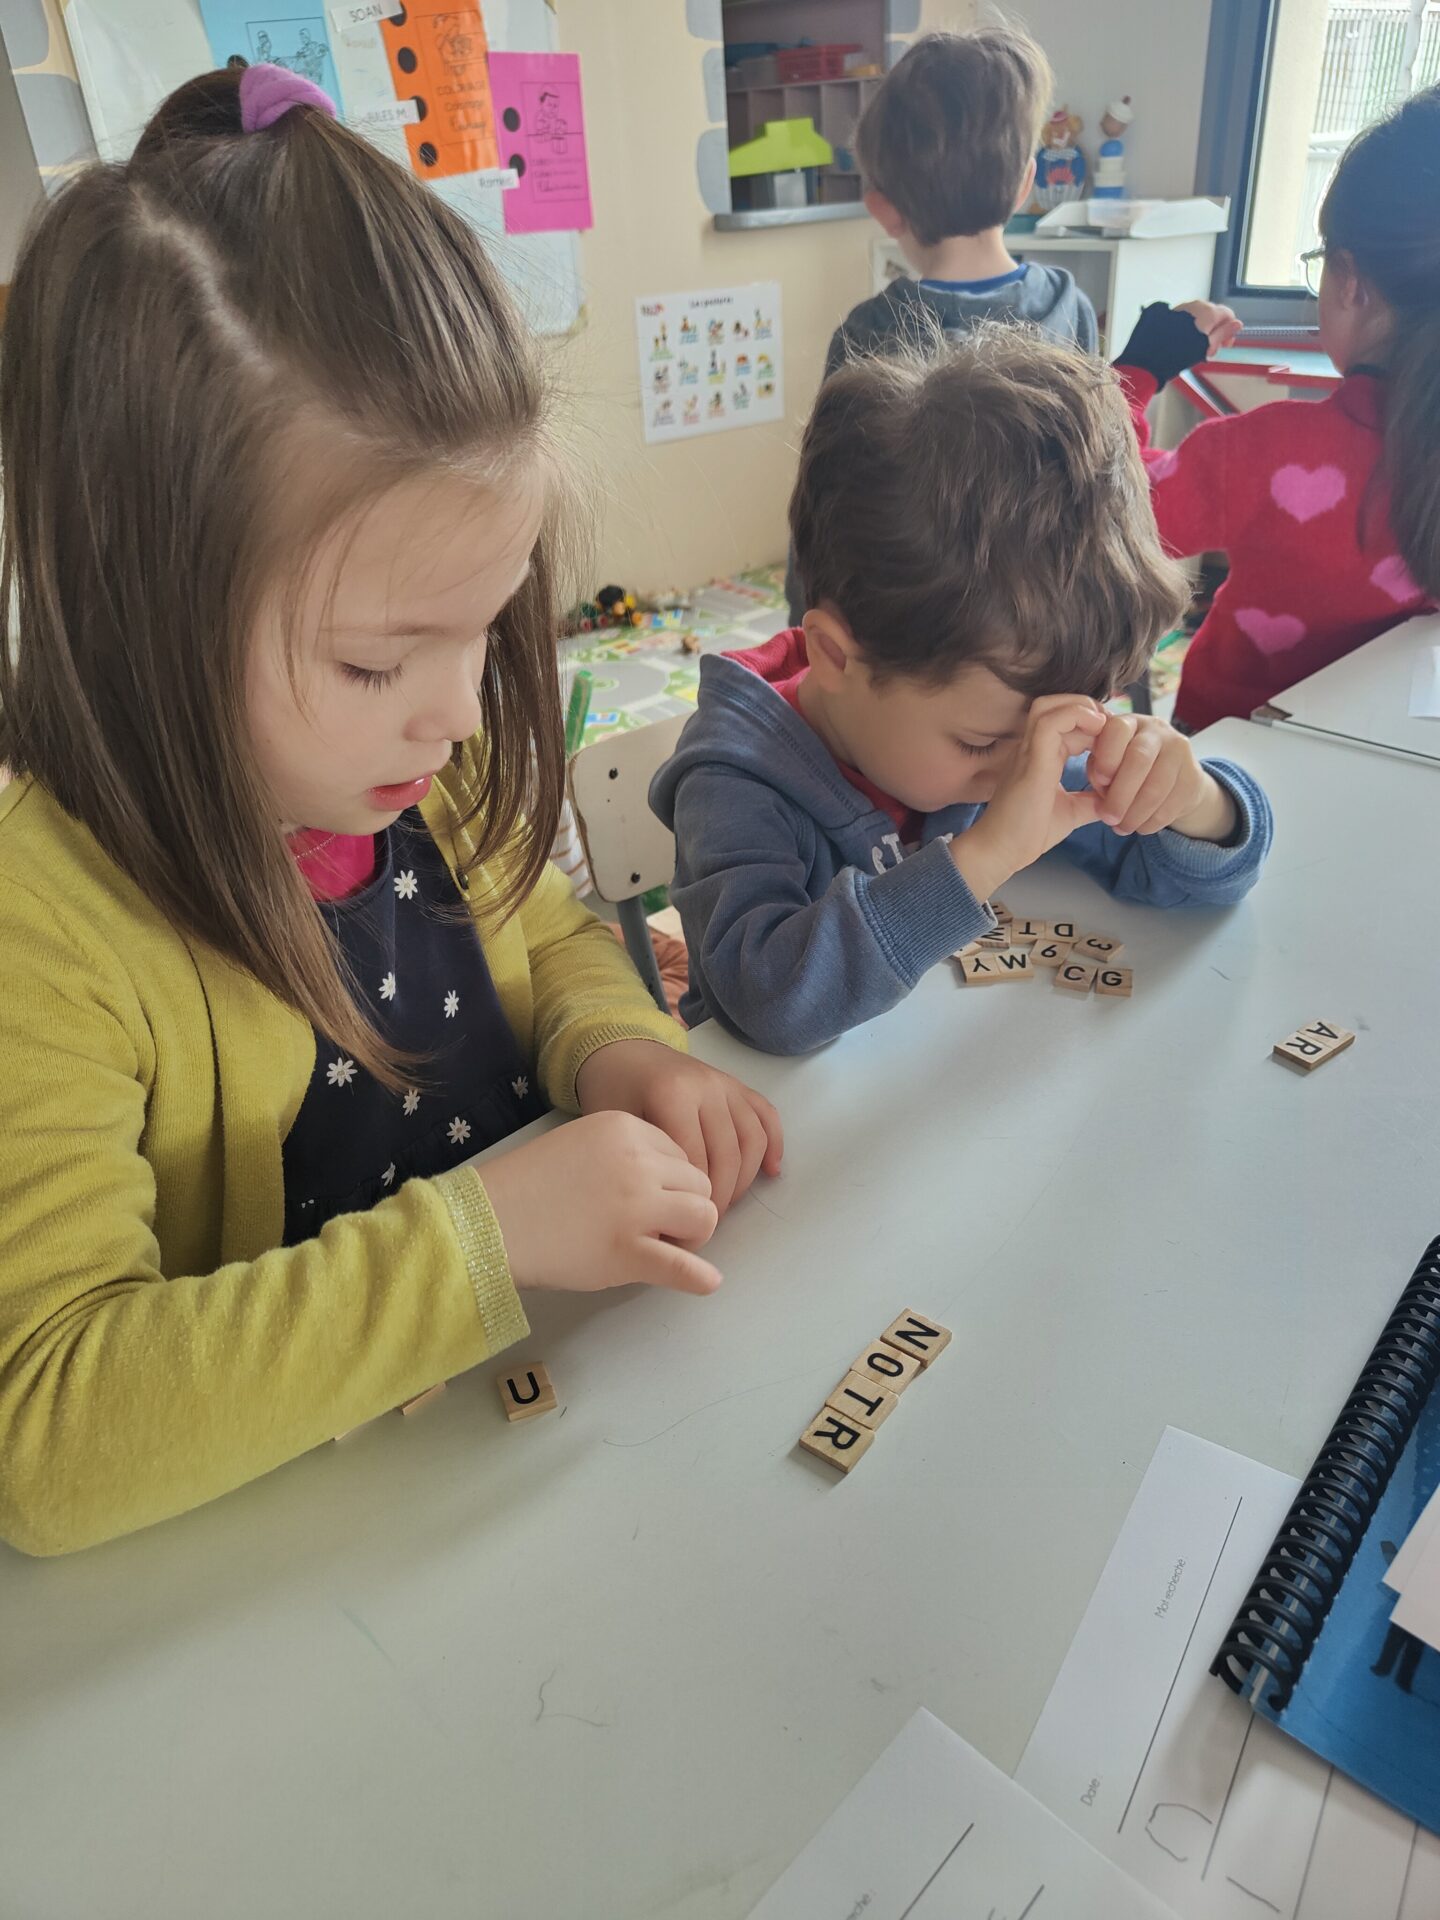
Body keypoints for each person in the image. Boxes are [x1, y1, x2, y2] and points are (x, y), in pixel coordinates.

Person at [0, 65, 781, 1555]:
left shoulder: (436, 762)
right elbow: (46, 1429)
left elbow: (553, 938)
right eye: (375, 661)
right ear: (133, 607)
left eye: (483, 629)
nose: (456, 711)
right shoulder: (43, 928)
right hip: (316, 1556)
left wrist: (616, 1049)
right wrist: (492, 1236)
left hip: (548, 1460)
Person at [652, 328, 1273, 1054]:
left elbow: (1183, 879)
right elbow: (769, 1005)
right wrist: (985, 854)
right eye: (980, 744)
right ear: (834, 658)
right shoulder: (734, 782)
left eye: (1039, 737)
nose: (1018, 771)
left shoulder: (1000, 722)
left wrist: (1194, 801)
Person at [1112, 85, 1440, 733]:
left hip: (1233, 754)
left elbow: (1112, 507)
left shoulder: (1269, 453)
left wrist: (1135, 374)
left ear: (1350, 279)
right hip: (1386, 747)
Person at [785, 26, 1098, 622]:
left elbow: (826, 505)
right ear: (1026, 183)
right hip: (1038, 621)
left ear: (883, 210)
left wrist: (805, 631)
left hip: (907, 626)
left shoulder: (867, 334)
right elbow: (1096, 487)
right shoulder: (1070, 309)